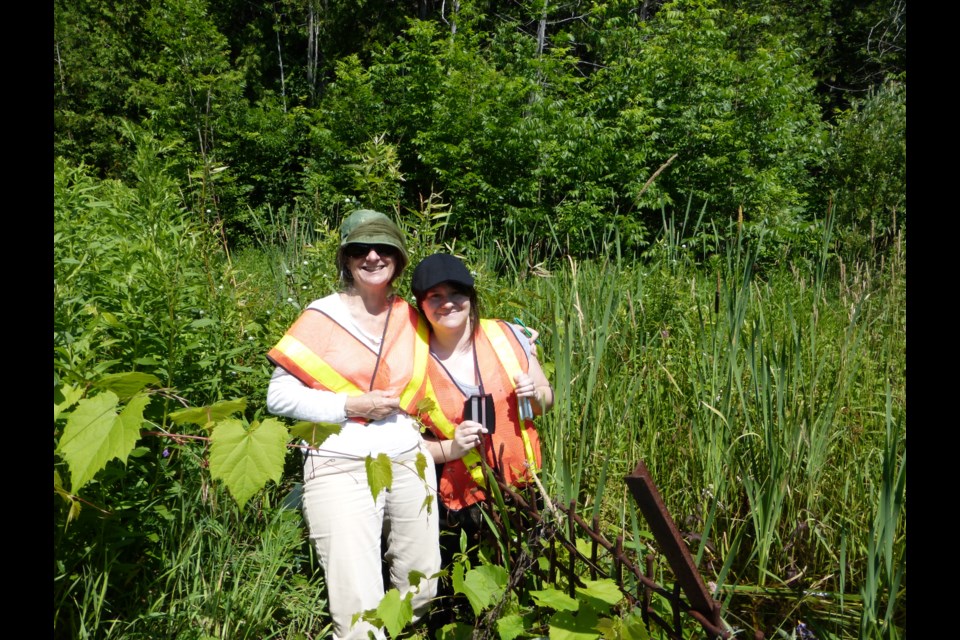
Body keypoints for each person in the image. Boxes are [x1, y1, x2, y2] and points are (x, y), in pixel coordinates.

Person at [265, 209, 440, 640]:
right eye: (361, 249)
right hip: (338, 463)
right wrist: (350, 404)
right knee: (358, 607)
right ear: (346, 258)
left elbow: (461, 341)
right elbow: (278, 396)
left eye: (384, 248)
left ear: (399, 257)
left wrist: (517, 338)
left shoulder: (413, 317)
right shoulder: (321, 316)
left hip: (408, 458)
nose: (373, 257)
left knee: (422, 583)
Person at [410, 253, 554, 565]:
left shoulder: (507, 336)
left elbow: (546, 399)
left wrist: (534, 396)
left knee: (529, 574)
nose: (447, 303)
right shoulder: (410, 361)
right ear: (421, 304)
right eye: (435, 296)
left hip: (524, 487)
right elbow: (407, 446)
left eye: (456, 293)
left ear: (471, 297)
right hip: (458, 503)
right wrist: (452, 447)